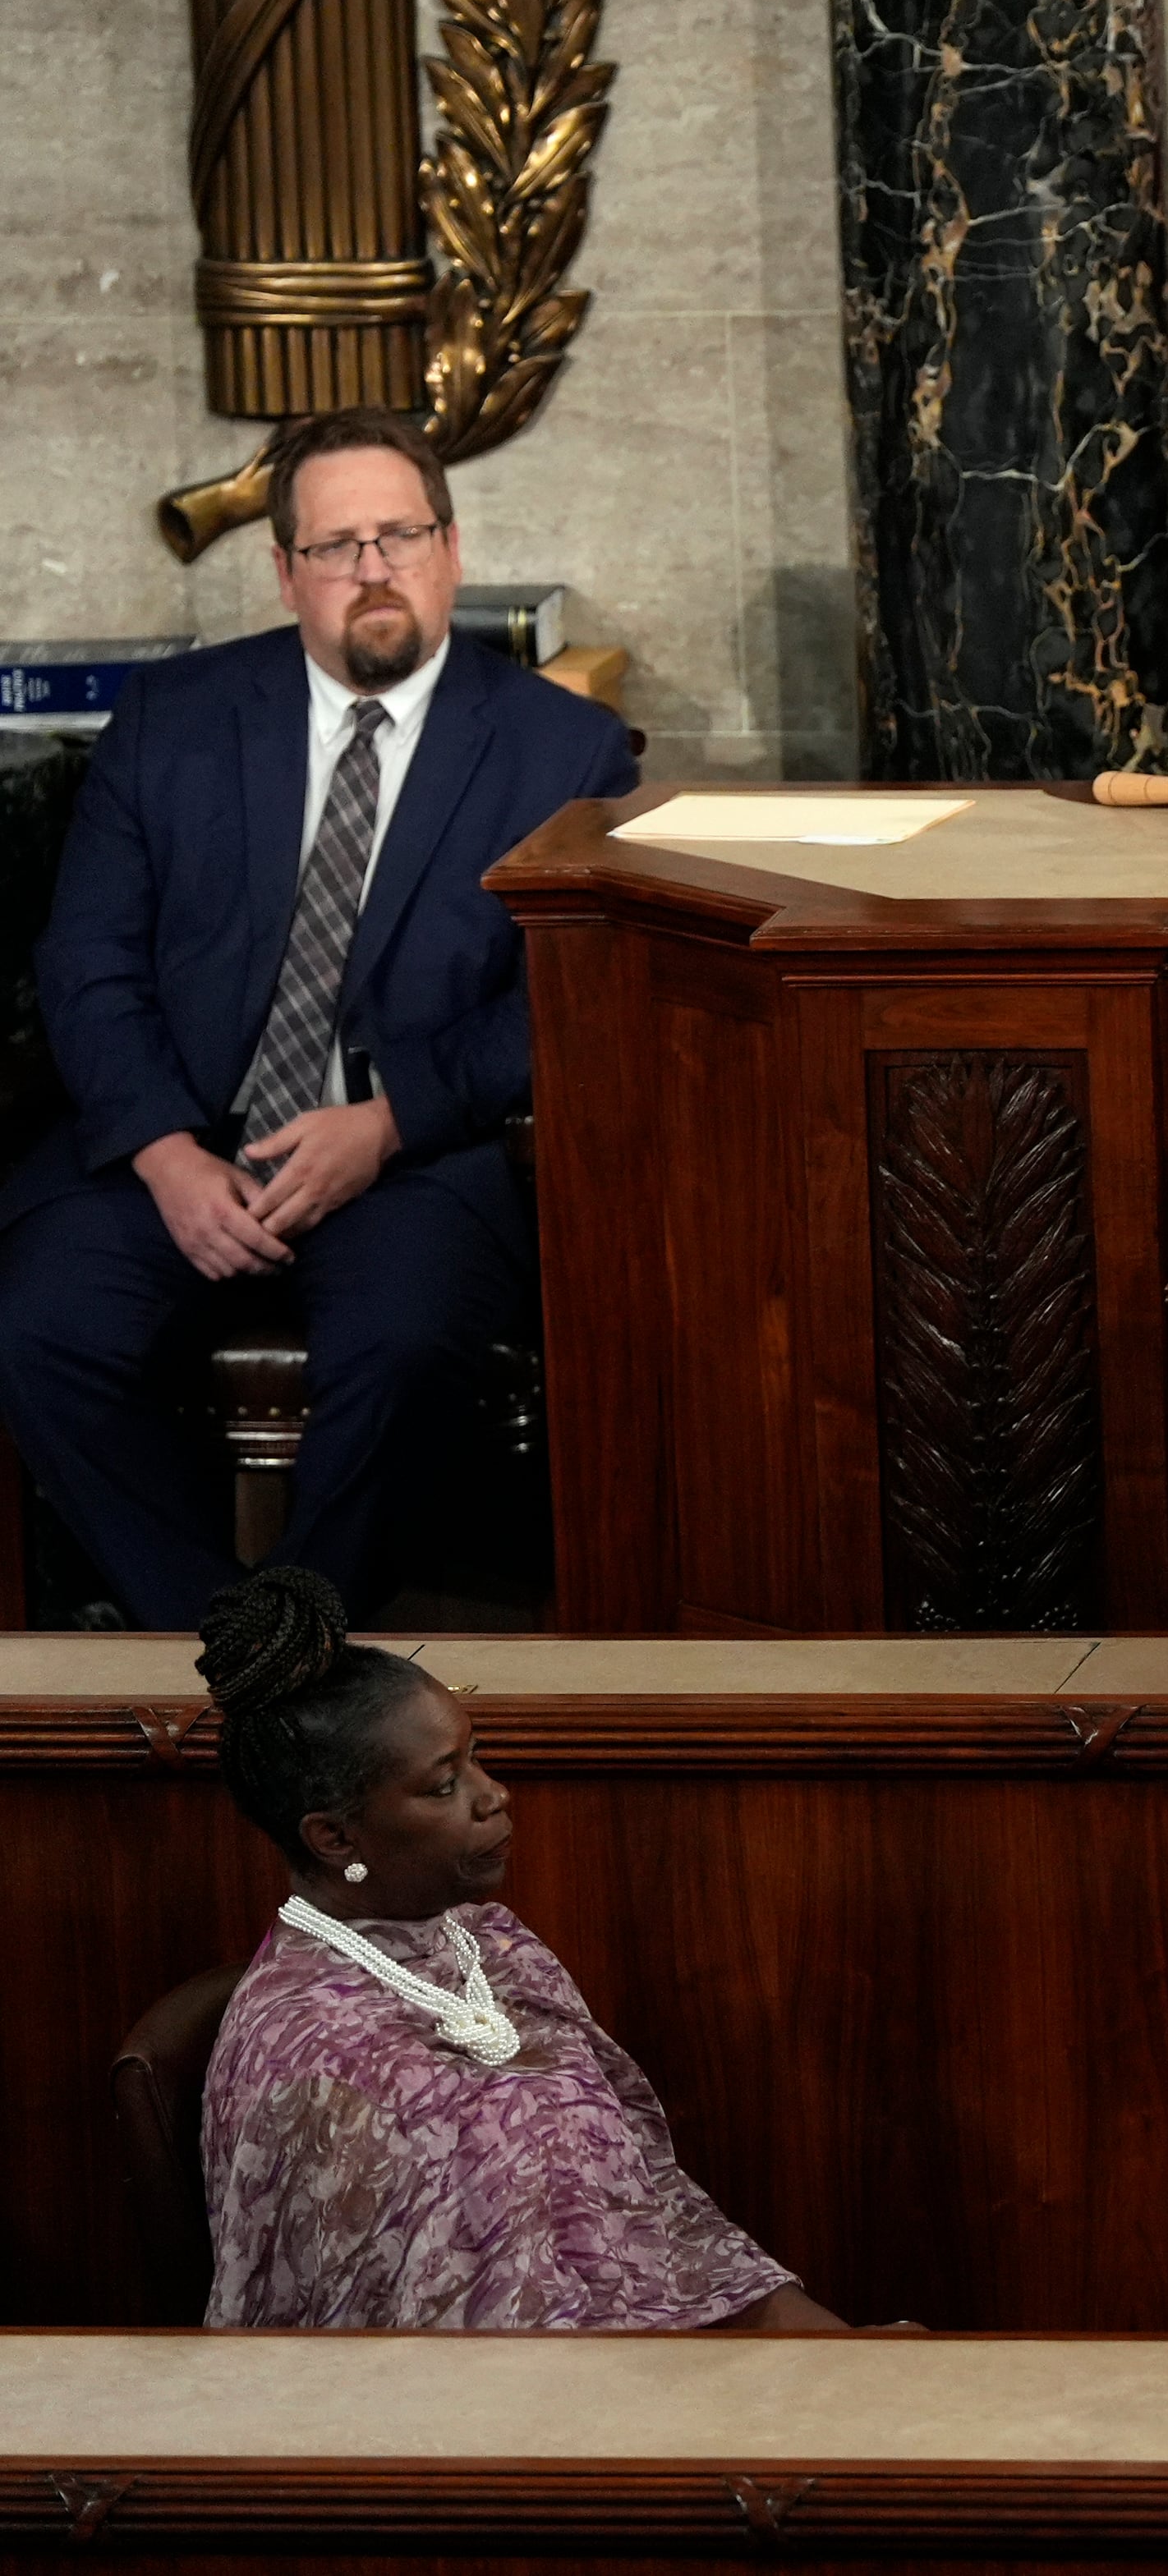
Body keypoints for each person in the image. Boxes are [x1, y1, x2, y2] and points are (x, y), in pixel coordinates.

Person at [0, 406, 637, 1628]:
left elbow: (566, 1000)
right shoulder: (173, 719)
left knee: (403, 1348)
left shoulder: (566, 750)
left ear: (451, 548)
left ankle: (313, 1639)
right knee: (37, 1327)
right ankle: (228, 1646)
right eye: (337, 546)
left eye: (399, 534)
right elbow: (85, 959)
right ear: (286, 571)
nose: (374, 569)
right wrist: (164, 1152)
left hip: (412, 1156)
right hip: (179, 1143)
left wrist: (391, 1124)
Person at [190, 1568, 855, 2330]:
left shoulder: (494, 1946)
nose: (492, 1793)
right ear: (335, 1836)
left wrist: (820, 2344)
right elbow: (391, 2344)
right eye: (444, 1786)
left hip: (648, 2362)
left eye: (477, 1756)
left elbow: (653, 2220)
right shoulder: (312, 2054)